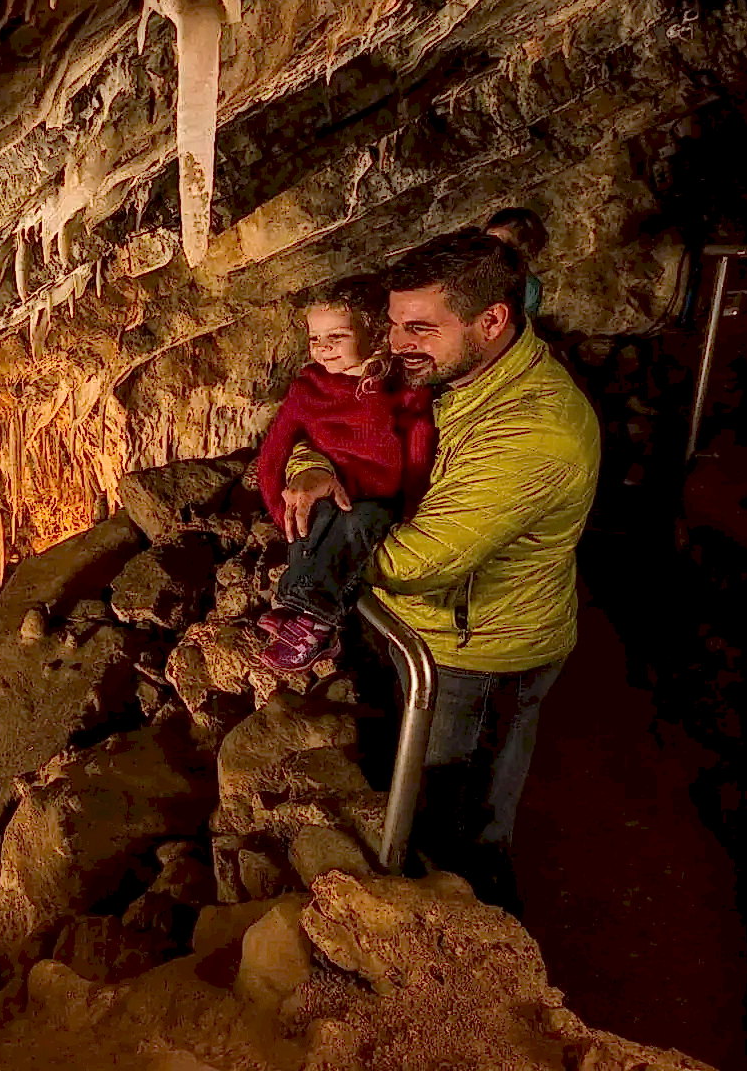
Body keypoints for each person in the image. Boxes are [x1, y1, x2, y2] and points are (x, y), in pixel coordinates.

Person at [279, 228, 600, 911]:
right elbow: (333, 435)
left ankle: (478, 957)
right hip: (437, 630)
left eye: (420, 327)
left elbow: (420, 560)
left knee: (459, 825)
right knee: (422, 788)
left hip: (479, 650)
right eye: (394, 325)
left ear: (492, 320)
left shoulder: (532, 430)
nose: (398, 345)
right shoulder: (454, 373)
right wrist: (312, 468)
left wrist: (326, 549)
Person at [255, 276, 437, 672]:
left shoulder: (396, 386)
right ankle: (298, 610)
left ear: (373, 333)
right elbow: (274, 451)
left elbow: (419, 441)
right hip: (327, 491)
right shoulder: (308, 388)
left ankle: (316, 625)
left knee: (356, 521)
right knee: (311, 521)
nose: (324, 348)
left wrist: (413, 504)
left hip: (377, 497)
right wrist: (278, 508)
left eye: (337, 335)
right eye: (315, 338)